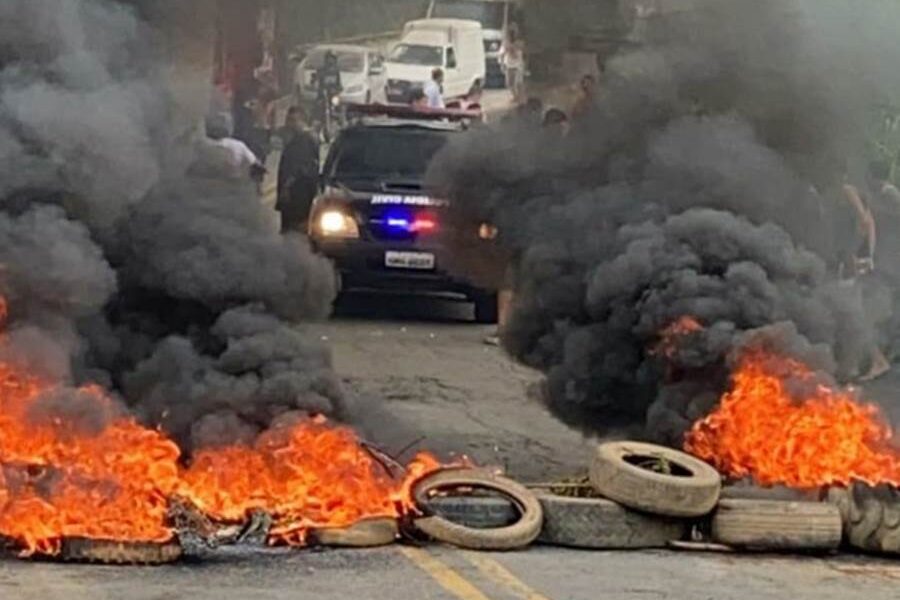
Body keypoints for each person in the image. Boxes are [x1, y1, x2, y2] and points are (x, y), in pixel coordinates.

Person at [276, 106, 320, 232]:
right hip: (296, 192)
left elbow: (300, 167)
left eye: (292, 120)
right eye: (288, 120)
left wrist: (286, 187)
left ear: (302, 120)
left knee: (295, 228)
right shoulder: (297, 138)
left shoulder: (304, 140)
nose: (289, 124)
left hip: (298, 193)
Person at [200, 112, 266, 183]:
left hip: (210, 181)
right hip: (232, 181)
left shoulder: (204, 144)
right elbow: (254, 163)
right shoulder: (239, 145)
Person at [501, 25, 525, 103]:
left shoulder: (519, 43)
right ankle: (515, 96)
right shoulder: (506, 43)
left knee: (518, 83)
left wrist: (511, 48)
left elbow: (515, 55)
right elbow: (502, 53)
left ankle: (520, 98)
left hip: (517, 66)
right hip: (509, 65)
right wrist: (502, 63)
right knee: (508, 83)